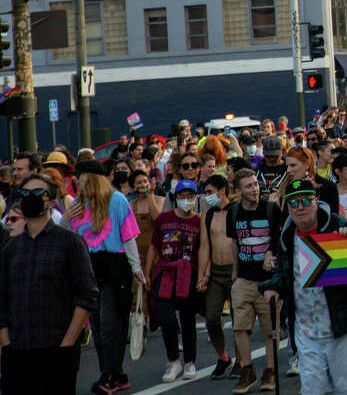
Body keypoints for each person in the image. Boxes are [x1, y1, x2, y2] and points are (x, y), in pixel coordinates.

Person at [261, 179, 347, 395]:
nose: (300, 207)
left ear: (316, 201)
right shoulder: (287, 236)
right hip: (307, 328)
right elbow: (284, 272)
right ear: (287, 207)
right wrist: (272, 287)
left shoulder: (335, 225)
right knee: (312, 389)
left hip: (343, 324)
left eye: (306, 201)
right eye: (293, 203)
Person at [0, 172, 99, 393]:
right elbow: (3, 298)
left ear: (52, 202)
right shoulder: (12, 248)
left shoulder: (70, 242)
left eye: (37, 192)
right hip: (17, 351)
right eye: (25, 193)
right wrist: (6, 342)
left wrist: (67, 344)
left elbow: (87, 296)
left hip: (57, 349)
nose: (30, 197)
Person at [70, 159, 146, 394]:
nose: (76, 182)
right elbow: (69, 237)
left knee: (110, 325)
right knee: (99, 324)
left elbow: (128, 237)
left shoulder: (117, 200)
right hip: (89, 267)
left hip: (115, 266)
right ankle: (115, 374)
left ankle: (109, 375)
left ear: (90, 178)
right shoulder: (77, 203)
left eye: (79, 177)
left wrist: (137, 268)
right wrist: (65, 218)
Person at [226, 168, 282, 393]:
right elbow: (234, 243)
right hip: (244, 279)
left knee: (270, 329)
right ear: (238, 190)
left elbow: (279, 238)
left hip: (268, 280)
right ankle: (247, 370)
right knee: (240, 326)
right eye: (248, 186)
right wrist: (235, 273)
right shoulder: (233, 212)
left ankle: (270, 371)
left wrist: (272, 254)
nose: (254, 189)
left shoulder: (271, 209)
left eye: (256, 184)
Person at [146, 180, 204, 382]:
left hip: (189, 274)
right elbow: (154, 246)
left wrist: (203, 275)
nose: (186, 200)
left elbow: (203, 249)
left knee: (188, 321)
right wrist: (146, 273)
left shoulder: (199, 221)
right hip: (166, 273)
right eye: (182, 196)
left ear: (195, 198)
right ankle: (173, 360)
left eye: (190, 196)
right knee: (166, 318)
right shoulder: (163, 219)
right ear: (175, 198)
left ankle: (189, 361)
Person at [196, 174, 236, 379]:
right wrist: (202, 275)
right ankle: (223, 356)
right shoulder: (207, 215)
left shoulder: (235, 211)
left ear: (222, 191)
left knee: (240, 320)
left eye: (210, 192)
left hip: (235, 271)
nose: (207, 196)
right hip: (216, 273)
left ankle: (243, 361)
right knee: (211, 318)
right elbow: (204, 247)